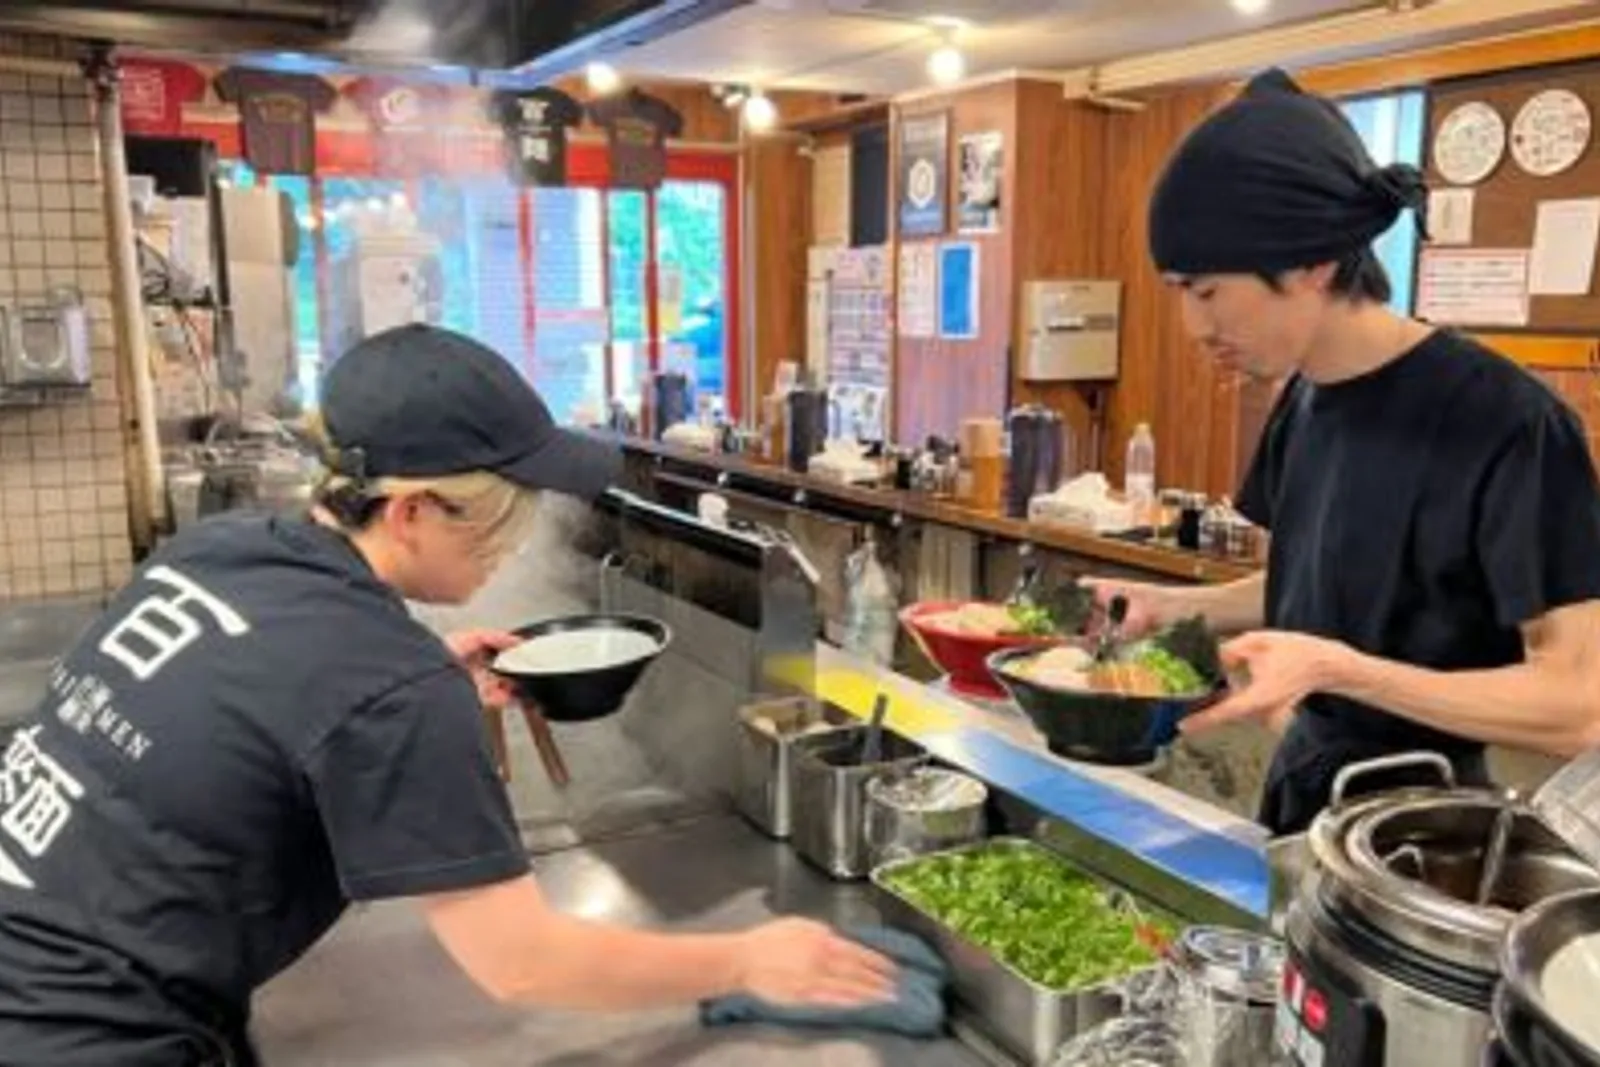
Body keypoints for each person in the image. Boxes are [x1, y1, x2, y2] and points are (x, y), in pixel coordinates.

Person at [0, 324, 894, 1066]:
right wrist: (747, 956)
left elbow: (257, 701)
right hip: (85, 1034)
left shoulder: (221, 550)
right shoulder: (389, 686)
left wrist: (420, 686)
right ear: (413, 509)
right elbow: (523, 964)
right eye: (504, 512)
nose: (517, 543)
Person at [1089, 69, 1600, 835]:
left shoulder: (1508, 423)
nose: (1194, 328)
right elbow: (1318, 580)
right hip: (1307, 797)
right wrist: (1178, 607)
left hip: (1436, 834)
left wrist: (1338, 669)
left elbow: (1576, 703)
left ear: (1311, 264)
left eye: (1205, 291)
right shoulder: (1305, 399)